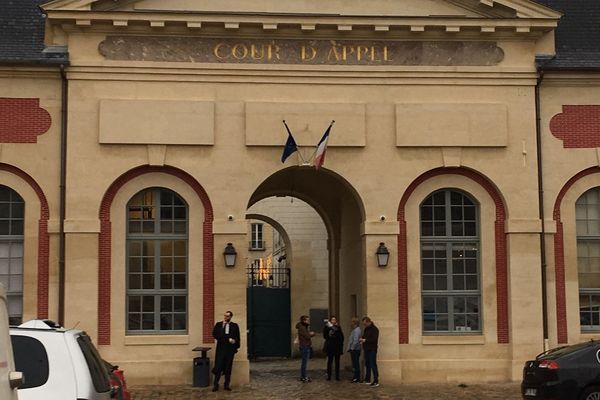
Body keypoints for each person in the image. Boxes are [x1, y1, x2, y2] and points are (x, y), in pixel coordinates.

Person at [212, 310, 240, 392]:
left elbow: (237, 337)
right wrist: (223, 329)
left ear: (231, 317)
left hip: (230, 349)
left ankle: (226, 384)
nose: (225, 317)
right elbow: (214, 334)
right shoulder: (219, 325)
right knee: (218, 365)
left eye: (227, 316)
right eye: (225, 316)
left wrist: (234, 341)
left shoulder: (234, 326)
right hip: (221, 348)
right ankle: (215, 384)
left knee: (228, 366)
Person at [359, 316, 379, 387]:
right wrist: (362, 339)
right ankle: (367, 379)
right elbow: (365, 336)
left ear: (368, 322)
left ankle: (376, 381)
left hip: (372, 349)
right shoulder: (366, 329)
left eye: (365, 324)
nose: (364, 325)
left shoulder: (375, 329)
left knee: (373, 364)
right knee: (367, 364)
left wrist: (365, 340)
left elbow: (374, 339)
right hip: (366, 349)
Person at [323, 315, 344, 381]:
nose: (333, 321)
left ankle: (337, 376)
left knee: (337, 362)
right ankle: (329, 376)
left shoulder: (338, 327)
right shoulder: (326, 327)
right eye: (332, 320)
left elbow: (341, 336)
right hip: (330, 346)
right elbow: (325, 336)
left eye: (334, 320)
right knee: (330, 361)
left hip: (337, 347)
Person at [295, 315, 315, 382]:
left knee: (304, 362)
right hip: (304, 346)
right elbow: (307, 336)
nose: (308, 321)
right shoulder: (302, 327)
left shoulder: (303, 327)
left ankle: (303, 376)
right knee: (304, 362)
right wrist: (312, 334)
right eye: (307, 320)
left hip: (305, 345)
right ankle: (303, 377)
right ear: (304, 320)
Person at [347, 317, 362, 383]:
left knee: (356, 364)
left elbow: (355, 340)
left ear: (354, 323)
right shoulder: (354, 330)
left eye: (352, 322)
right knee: (354, 364)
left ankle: (357, 377)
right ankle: (355, 376)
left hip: (355, 349)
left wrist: (352, 348)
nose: (351, 323)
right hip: (354, 349)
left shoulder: (357, 330)